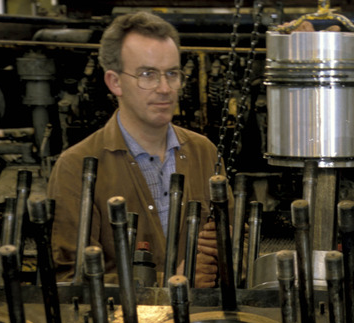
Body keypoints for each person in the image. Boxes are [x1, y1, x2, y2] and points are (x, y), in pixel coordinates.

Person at [48, 11, 229, 287]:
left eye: (172, 74)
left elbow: (236, 246)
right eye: (148, 74)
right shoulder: (76, 166)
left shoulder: (204, 152)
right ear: (115, 82)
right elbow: (69, 280)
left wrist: (226, 248)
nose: (165, 88)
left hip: (202, 321)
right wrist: (167, 282)